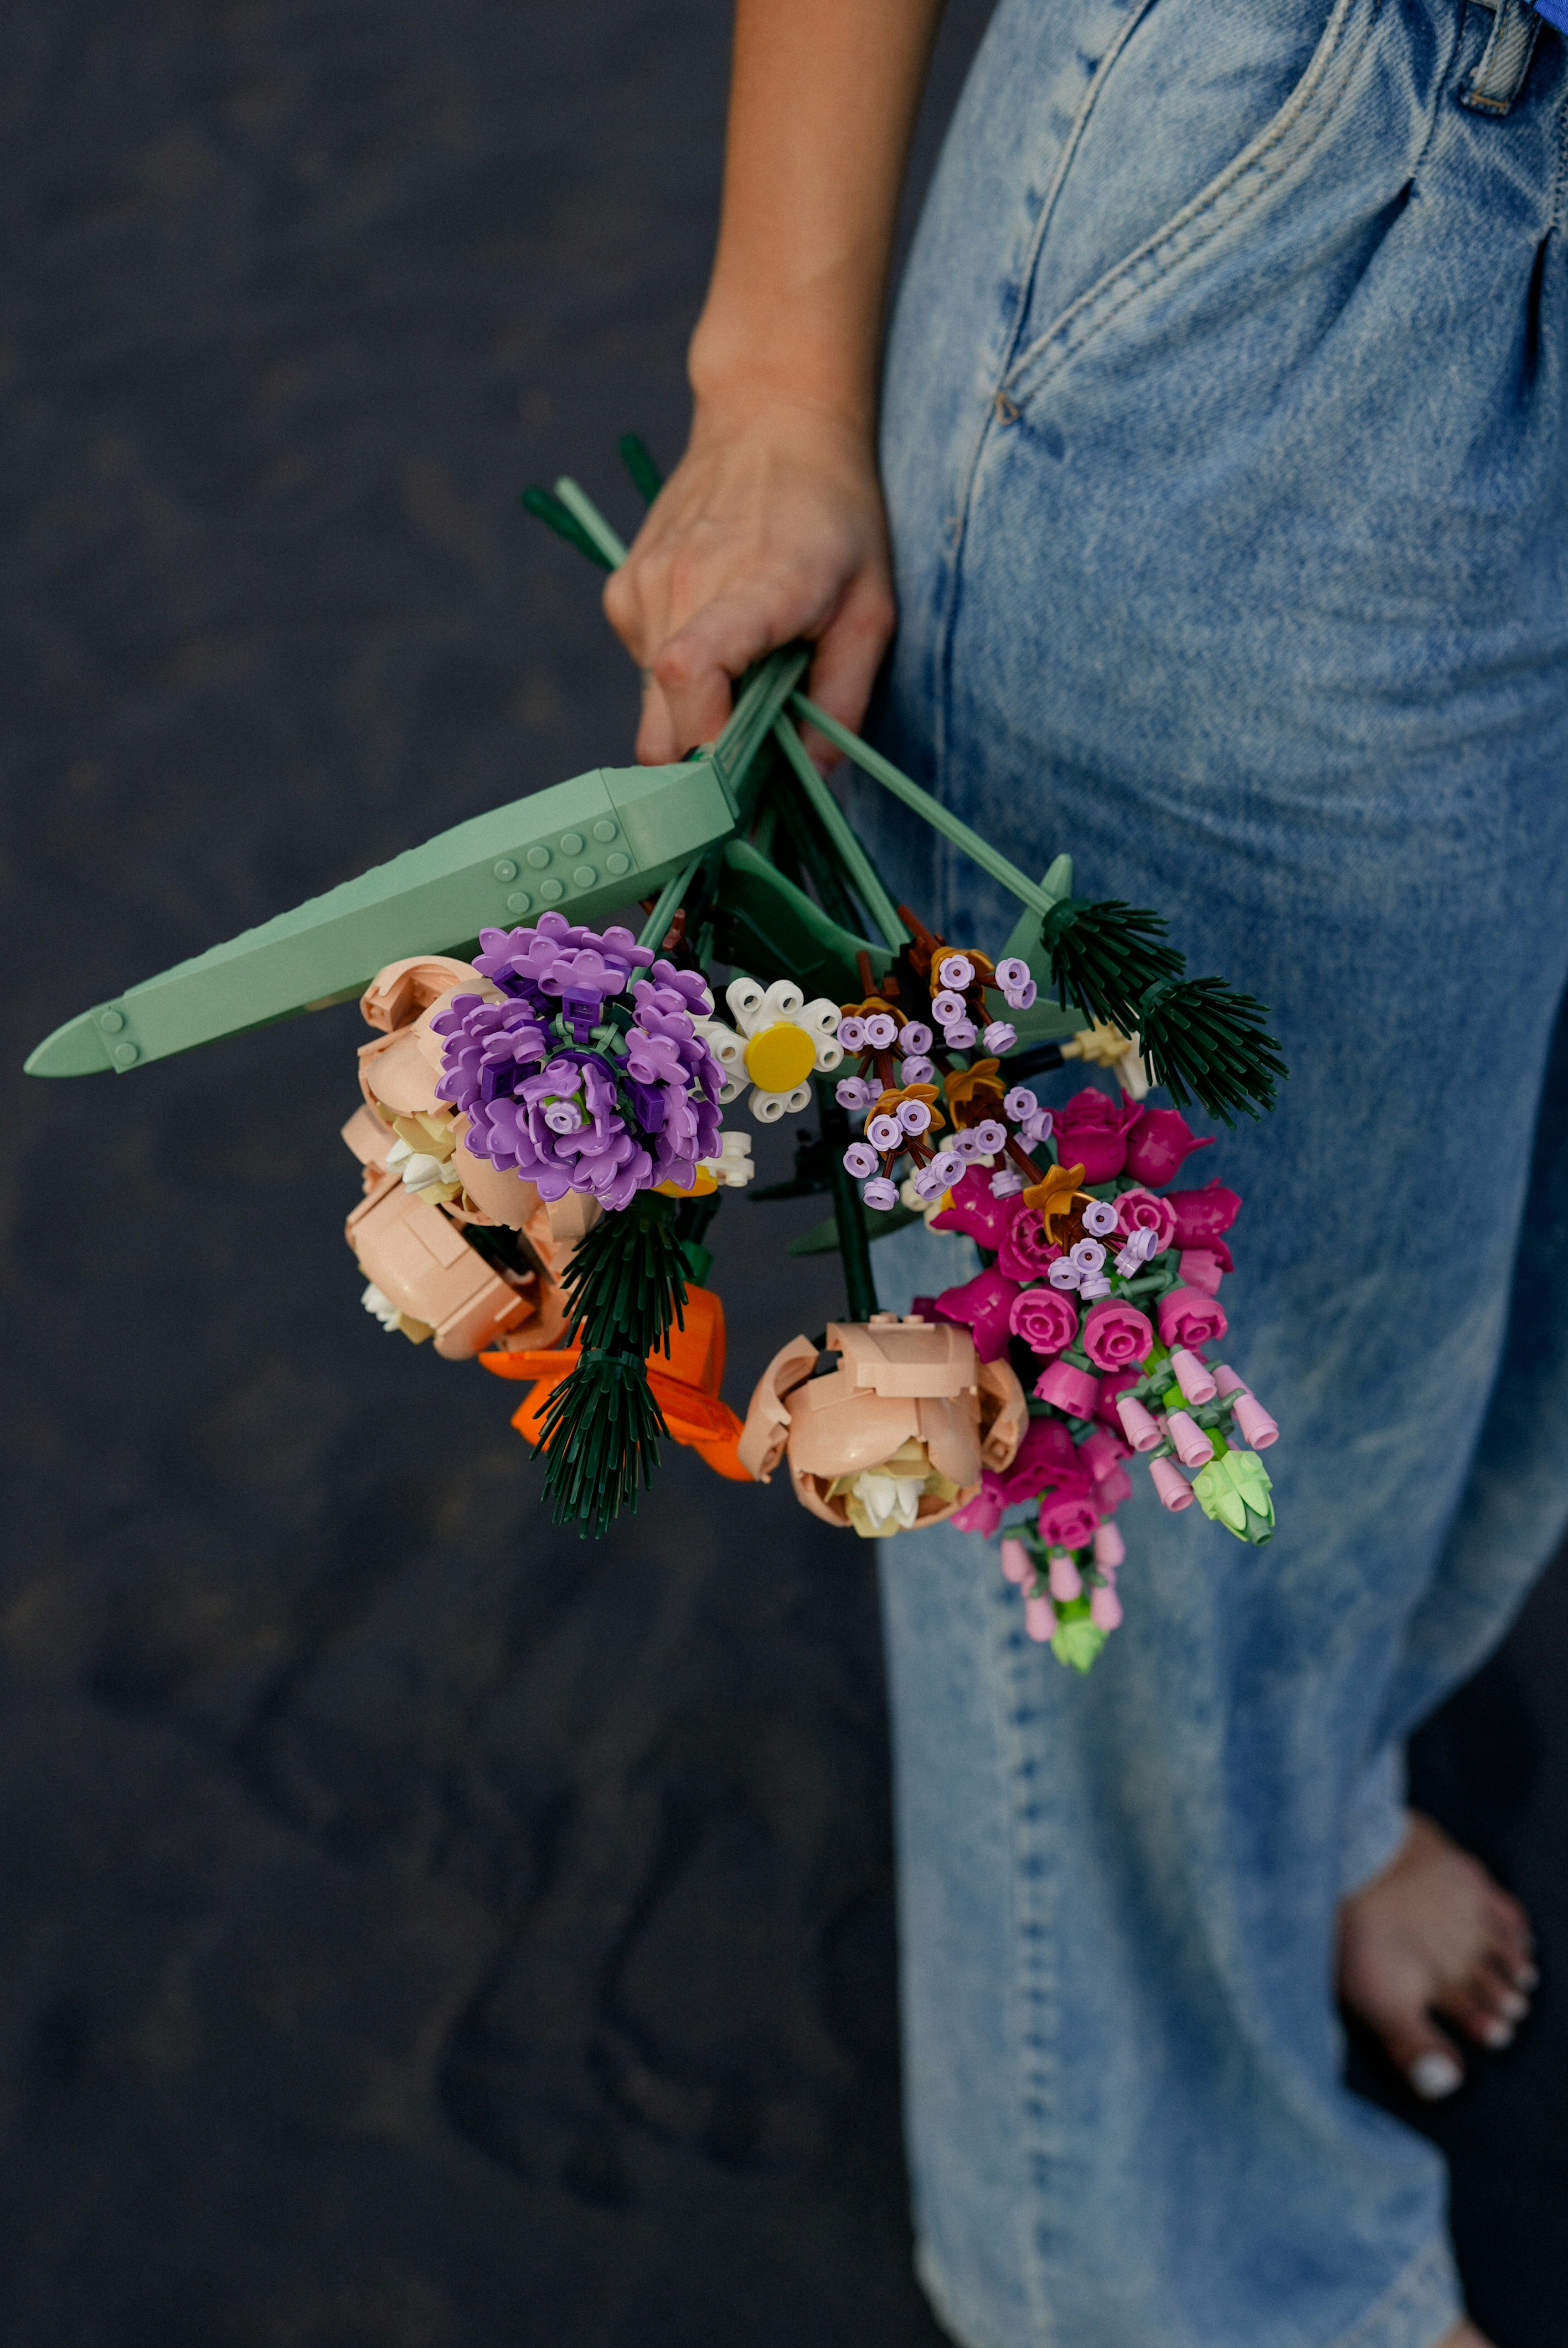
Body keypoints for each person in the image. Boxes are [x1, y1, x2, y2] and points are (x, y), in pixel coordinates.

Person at [604, 4, 1566, 2342]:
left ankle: (1300, 1801)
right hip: (1338, 210)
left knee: (1486, 1290)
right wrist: (777, 377)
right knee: (1149, 1396)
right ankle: (1178, 2263)